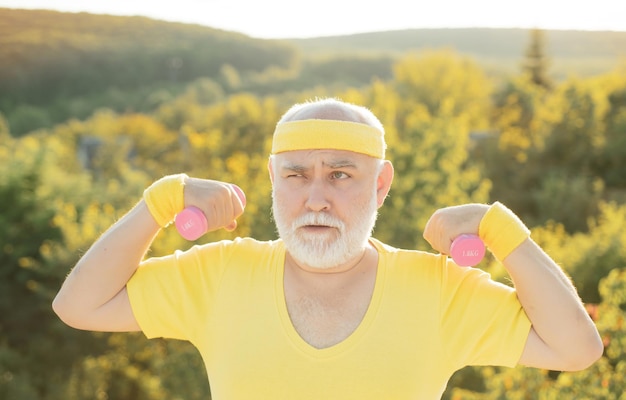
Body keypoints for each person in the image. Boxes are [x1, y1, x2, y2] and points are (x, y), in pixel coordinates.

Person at [52, 97, 603, 399]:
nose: (315, 199)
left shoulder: (437, 289)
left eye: (341, 175)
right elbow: (79, 305)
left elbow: (576, 350)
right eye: (296, 175)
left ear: (381, 184)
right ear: (273, 180)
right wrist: (162, 200)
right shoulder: (220, 274)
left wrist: (498, 229)